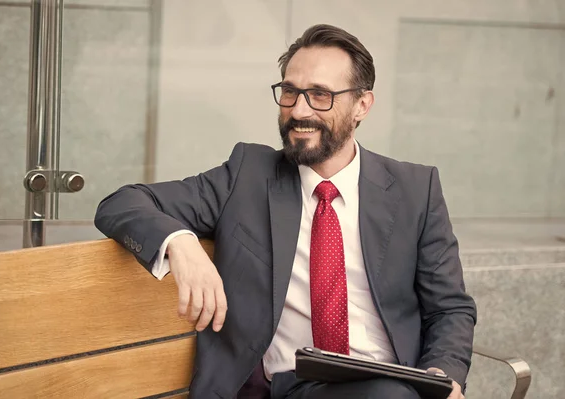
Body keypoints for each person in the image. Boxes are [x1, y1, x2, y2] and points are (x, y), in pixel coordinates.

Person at [95, 24, 476, 399]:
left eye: (320, 95)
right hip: (287, 385)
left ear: (362, 105)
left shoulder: (415, 189)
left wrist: (443, 376)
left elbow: (449, 308)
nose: (299, 110)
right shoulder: (246, 176)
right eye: (290, 92)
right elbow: (121, 203)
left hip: (391, 381)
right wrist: (181, 244)